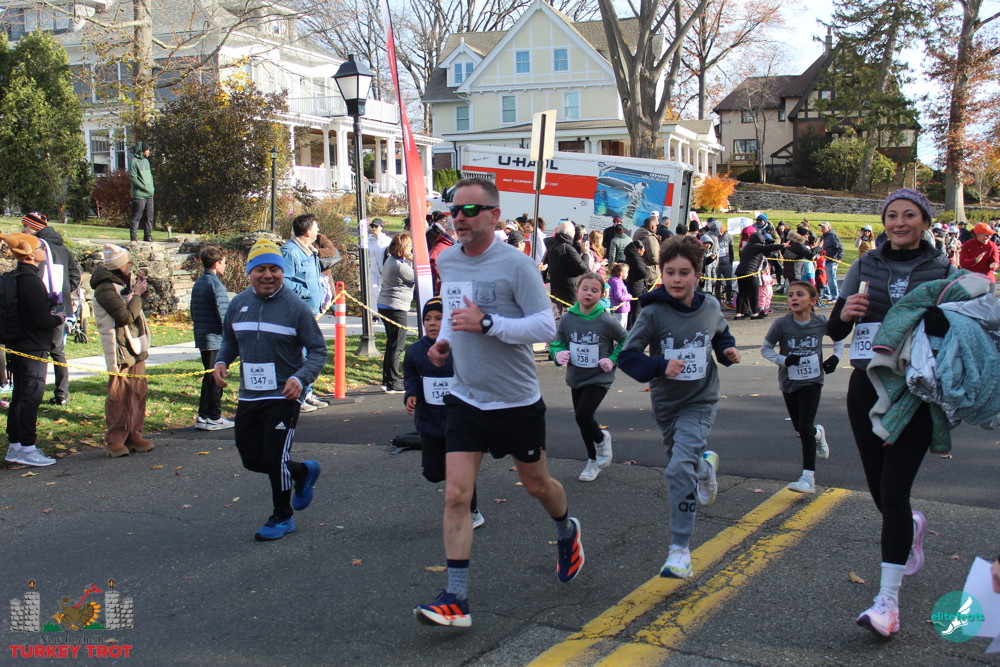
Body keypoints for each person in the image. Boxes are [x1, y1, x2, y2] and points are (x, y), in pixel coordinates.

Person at [413, 178, 583, 628]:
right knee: (456, 494)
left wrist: (488, 323)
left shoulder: (517, 265)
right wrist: (444, 342)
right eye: (454, 209)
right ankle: (456, 599)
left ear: (494, 215)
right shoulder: (448, 259)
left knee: (537, 485)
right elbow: (455, 313)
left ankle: (566, 529)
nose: (459, 217)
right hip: (466, 397)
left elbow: (545, 327)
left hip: (516, 401)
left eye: (470, 210)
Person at [827, 188, 957, 638]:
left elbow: (957, 332)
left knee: (895, 492)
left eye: (909, 215)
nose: (899, 222)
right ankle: (910, 528)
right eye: (892, 215)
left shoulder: (943, 270)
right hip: (866, 385)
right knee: (882, 493)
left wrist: (937, 319)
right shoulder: (864, 265)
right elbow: (834, 328)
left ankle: (888, 603)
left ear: (925, 222)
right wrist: (846, 312)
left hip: (914, 390)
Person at [618, 235, 741, 579]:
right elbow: (627, 356)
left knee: (676, 469)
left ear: (697, 275)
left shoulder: (710, 307)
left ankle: (680, 550)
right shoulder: (653, 313)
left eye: (683, 273)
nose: (675, 279)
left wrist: (727, 351)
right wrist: (660, 366)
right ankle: (703, 466)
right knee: (682, 463)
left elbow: (720, 333)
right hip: (667, 404)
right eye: (669, 272)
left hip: (700, 400)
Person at [213, 239, 327, 541]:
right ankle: (301, 472)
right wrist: (222, 361)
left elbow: (318, 350)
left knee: (276, 458)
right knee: (251, 458)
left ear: (282, 271)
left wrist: (300, 379)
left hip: (283, 395)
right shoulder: (239, 304)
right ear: (250, 272)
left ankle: (282, 517)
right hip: (250, 395)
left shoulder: (295, 307)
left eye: (274, 269)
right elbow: (230, 340)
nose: (267, 275)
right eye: (260, 269)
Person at [403, 297, 484, 529]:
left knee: (460, 471)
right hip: (430, 422)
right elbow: (410, 376)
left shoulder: (460, 348)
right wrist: (411, 394)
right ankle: (456, 483)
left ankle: (472, 511)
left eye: (438, 318)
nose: (432, 323)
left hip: (459, 421)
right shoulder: (416, 351)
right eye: (428, 319)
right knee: (433, 473)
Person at [761, 281, 844, 493]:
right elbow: (766, 349)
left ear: (812, 301)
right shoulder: (782, 324)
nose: (794, 298)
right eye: (790, 295)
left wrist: (836, 357)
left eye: (800, 294)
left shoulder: (820, 322)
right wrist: (784, 360)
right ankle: (818, 433)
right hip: (789, 381)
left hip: (813, 380)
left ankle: (808, 478)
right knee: (801, 428)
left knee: (805, 427)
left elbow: (839, 337)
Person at [551, 272, 628, 481]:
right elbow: (557, 343)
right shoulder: (567, 318)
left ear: (601, 295)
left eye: (594, 290)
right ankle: (593, 460)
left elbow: (626, 340)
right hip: (577, 376)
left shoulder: (606, 320)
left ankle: (601, 440)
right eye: (584, 289)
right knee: (583, 421)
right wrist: (558, 354)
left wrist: (612, 359)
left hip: (599, 378)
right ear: (577, 291)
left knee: (583, 416)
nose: (588, 293)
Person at [1, 233, 63, 467]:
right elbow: (41, 319)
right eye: (40, 248)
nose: (44, 252)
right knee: (31, 396)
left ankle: (15, 445)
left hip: (17, 344)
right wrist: (58, 318)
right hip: (33, 346)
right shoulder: (32, 281)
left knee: (19, 396)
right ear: (29, 255)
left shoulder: (14, 278)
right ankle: (27, 447)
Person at [91, 244, 154, 458]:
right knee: (119, 394)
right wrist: (136, 294)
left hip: (135, 343)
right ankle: (115, 439)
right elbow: (124, 316)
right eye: (127, 263)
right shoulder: (104, 288)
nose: (130, 266)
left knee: (138, 390)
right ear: (118, 266)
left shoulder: (121, 283)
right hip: (119, 346)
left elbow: (135, 308)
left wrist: (140, 292)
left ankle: (134, 434)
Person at [20, 211, 81, 406]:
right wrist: (63, 292)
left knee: (38, 350)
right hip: (60, 303)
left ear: (34, 227)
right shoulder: (62, 247)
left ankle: (33, 391)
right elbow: (75, 275)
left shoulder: (37, 246)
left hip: (41, 303)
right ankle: (62, 393)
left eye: (25, 226)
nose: (23, 230)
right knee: (57, 349)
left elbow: (34, 275)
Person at [281, 215, 329, 413]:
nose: (318, 231)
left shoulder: (309, 251)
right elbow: (284, 280)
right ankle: (297, 397)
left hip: (311, 312)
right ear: (308, 231)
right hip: (297, 312)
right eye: (316, 227)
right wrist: (306, 292)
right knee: (299, 355)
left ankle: (306, 392)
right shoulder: (290, 252)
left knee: (309, 354)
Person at [190, 245, 233, 431]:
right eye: (224, 263)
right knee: (216, 377)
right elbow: (223, 315)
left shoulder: (200, 282)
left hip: (203, 335)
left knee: (208, 378)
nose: (225, 266)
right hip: (215, 337)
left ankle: (203, 415)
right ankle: (214, 416)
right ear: (216, 263)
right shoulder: (216, 285)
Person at [378, 232, 414, 394]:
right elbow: (416, 277)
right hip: (396, 307)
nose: (411, 249)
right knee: (397, 346)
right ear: (402, 248)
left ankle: (387, 380)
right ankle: (393, 382)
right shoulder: (401, 266)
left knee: (391, 344)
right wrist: (414, 260)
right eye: (409, 247)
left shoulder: (390, 260)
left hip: (385, 304)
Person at [542, 220, 590, 321]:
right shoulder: (567, 248)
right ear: (570, 233)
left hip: (557, 291)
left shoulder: (552, 245)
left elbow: (544, 263)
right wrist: (585, 253)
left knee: (558, 320)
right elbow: (583, 269)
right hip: (570, 294)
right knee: (570, 321)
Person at [734, 230, 784, 320]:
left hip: (740, 272)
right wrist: (782, 246)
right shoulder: (757, 246)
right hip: (750, 273)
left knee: (742, 293)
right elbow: (769, 248)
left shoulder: (747, 247)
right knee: (754, 293)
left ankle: (739, 313)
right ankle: (755, 312)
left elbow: (767, 252)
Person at [959, 222, 1000, 294]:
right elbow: (963, 263)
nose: (989, 237)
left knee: (989, 301)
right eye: (986, 235)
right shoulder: (967, 245)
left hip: (988, 280)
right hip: (972, 280)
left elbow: (995, 260)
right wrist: (975, 260)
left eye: (990, 235)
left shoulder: (992, 245)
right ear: (977, 234)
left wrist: (994, 264)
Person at [127, 142, 154, 242]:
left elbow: (150, 177)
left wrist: (151, 188)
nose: (149, 152)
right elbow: (133, 178)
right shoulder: (133, 162)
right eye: (147, 150)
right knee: (136, 217)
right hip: (139, 195)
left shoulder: (146, 162)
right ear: (142, 151)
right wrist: (144, 188)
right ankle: (134, 239)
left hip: (149, 195)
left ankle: (148, 237)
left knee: (149, 217)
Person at [624, 240, 649, 329]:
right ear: (639, 250)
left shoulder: (630, 256)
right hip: (637, 287)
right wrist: (648, 271)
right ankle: (634, 328)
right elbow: (644, 273)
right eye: (643, 250)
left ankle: (630, 327)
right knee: (636, 310)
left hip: (632, 284)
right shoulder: (636, 259)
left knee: (632, 310)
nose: (644, 251)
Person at [367, 218, 393, 305]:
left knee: (385, 292)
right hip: (373, 270)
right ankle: (374, 311)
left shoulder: (387, 240)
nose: (374, 228)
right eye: (372, 226)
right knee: (373, 291)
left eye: (376, 226)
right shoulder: (368, 241)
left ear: (381, 227)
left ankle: (385, 309)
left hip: (385, 270)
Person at [819, 222, 844, 302]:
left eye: (823, 227)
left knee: (831, 279)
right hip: (824, 261)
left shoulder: (833, 236)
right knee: (824, 278)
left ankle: (835, 296)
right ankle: (826, 294)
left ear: (829, 228)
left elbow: (840, 248)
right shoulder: (823, 236)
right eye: (821, 227)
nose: (822, 228)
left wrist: (839, 258)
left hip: (831, 261)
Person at [608, 262, 631, 327]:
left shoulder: (613, 280)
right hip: (621, 309)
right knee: (621, 327)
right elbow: (619, 296)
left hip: (617, 308)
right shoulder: (618, 283)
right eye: (627, 272)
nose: (627, 274)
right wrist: (628, 297)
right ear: (621, 273)